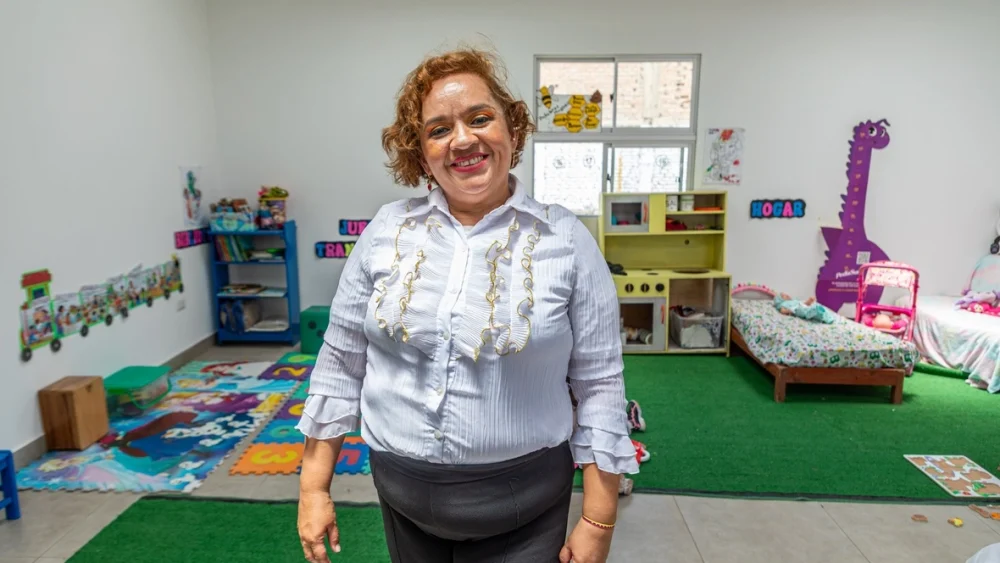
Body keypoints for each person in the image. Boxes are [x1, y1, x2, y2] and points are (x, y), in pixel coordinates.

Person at [296, 46, 639, 563]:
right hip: (404, 500)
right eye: (438, 129)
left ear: (512, 130)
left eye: (480, 118)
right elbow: (341, 361)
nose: (462, 140)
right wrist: (314, 488)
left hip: (523, 505)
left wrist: (598, 520)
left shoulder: (565, 238)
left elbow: (599, 383)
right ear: (421, 153)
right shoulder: (387, 229)